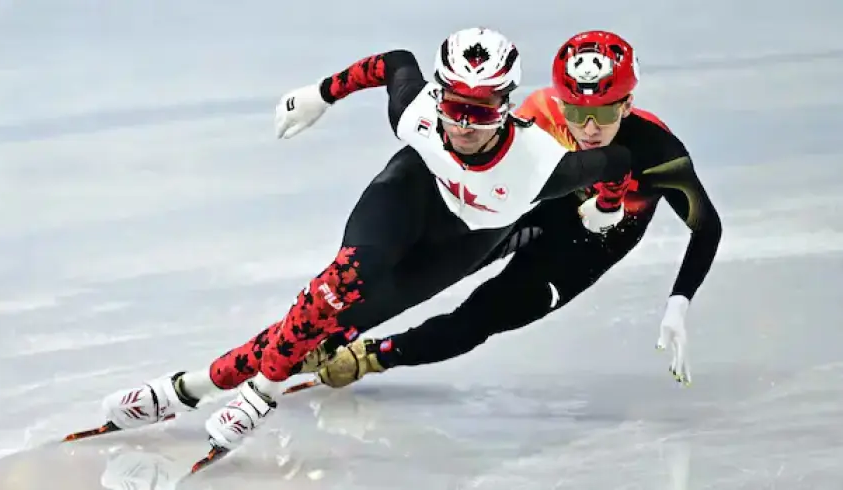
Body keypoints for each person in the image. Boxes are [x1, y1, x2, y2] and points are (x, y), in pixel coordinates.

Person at [90, 27, 633, 465]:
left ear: (507, 104)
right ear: (439, 95)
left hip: (463, 241)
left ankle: (186, 388)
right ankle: (257, 397)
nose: (464, 125)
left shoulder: (541, 164)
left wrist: (607, 205)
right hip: (411, 191)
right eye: (455, 106)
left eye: (483, 111)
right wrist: (319, 95)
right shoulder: (417, 113)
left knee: (331, 329)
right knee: (342, 282)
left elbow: (615, 164)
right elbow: (393, 61)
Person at [305, 30, 722, 391]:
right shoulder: (540, 114)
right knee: (428, 269)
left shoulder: (660, 154)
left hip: (588, 246)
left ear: (627, 105)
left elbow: (706, 227)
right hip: (534, 208)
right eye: (577, 113)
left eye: (604, 113)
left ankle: (373, 357)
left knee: (483, 316)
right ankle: (324, 335)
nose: (590, 128)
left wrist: (679, 301)